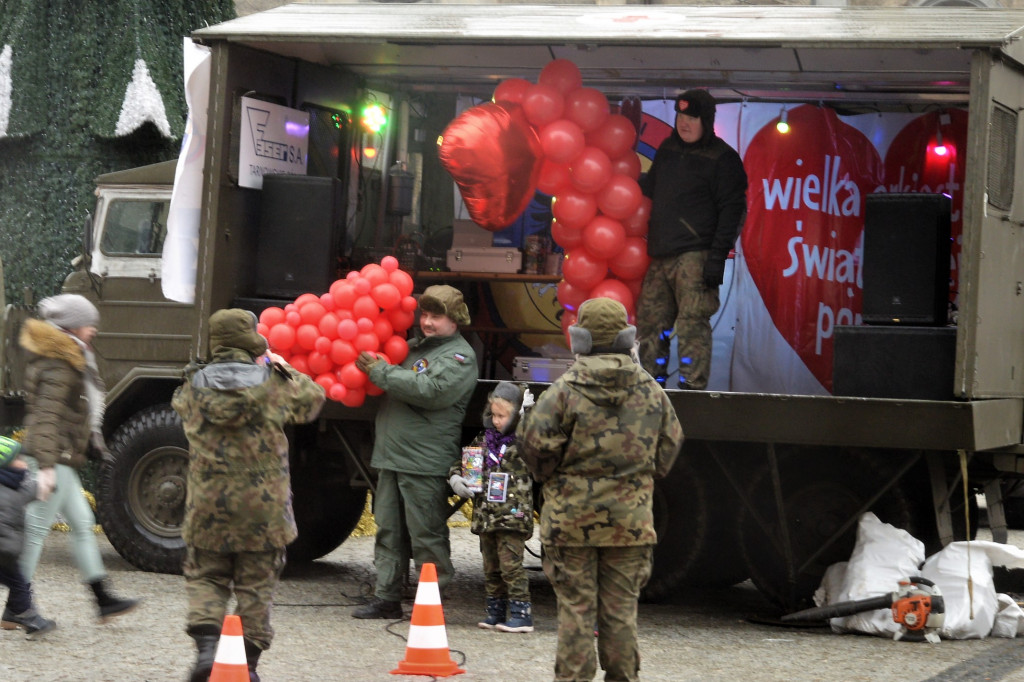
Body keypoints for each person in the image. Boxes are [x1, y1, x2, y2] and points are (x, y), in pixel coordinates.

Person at [519, 297, 684, 682]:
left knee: (576, 611)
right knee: (621, 612)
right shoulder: (651, 391)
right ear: (627, 338)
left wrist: (553, 476)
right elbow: (669, 446)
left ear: (581, 339)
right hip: (630, 525)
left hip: (571, 524)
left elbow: (535, 448)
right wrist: (639, 479)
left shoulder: (563, 390)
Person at [172, 308, 326, 682]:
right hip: (263, 511)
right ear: (251, 340)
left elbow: (179, 407)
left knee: (206, 576)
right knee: (256, 585)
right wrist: (282, 366)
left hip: (207, 507)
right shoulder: (273, 383)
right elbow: (313, 399)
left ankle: (207, 653)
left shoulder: (192, 387)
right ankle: (246, 666)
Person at [351, 284, 478, 619]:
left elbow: (431, 391)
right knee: (388, 531)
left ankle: (429, 605)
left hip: (424, 461)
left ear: (455, 320)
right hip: (392, 456)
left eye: (437, 316)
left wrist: (380, 371)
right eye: (425, 314)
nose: (428, 322)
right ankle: (387, 597)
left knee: (426, 536)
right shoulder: (411, 349)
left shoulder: (460, 357)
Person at [18, 294, 140, 623]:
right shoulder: (59, 362)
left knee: (83, 524)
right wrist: (46, 467)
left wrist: (91, 439)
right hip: (52, 457)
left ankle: (103, 599)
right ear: (71, 326)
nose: (94, 329)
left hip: (61, 456)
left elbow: (75, 410)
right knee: (36, 529)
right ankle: (17, 605)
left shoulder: (72, 356)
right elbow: (46, 416)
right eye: (88, 323)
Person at [637, 88, 749, 390]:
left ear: (707, 120)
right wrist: (624, 178)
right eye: (680, 116)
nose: (684, 123)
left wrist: (716, 259)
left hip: (696, 256)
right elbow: (652, 186)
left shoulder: (723, 159)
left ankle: (692, 391)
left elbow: (733, 212)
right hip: (660, 252)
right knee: (651, 325)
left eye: (692, 118)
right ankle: (652, 388)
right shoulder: (667, 148)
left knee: (692, 326)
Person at [448, 381, 536, 633]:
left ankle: (521, 614)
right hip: (486, 517)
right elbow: (465, 464)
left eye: (502, 416)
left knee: (511, 566)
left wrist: (529, 417)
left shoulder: (523, 441)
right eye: (493, 415)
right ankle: (495, 611)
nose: (496, 421)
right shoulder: (485, 440)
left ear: (515, 414)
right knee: (491, 568)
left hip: (512, 517)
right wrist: (457, 478)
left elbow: (541, 443)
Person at [0, 436, 56, 639]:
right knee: (18, 583)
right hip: (3, 550)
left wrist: (46, 484)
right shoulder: (5, 492)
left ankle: (15, 614)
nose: (24, 463)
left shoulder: (12, 484)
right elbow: (28, 491)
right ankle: (27, 615)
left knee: (18, 581)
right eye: (18, 459)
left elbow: (28, 489)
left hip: (5, 551)